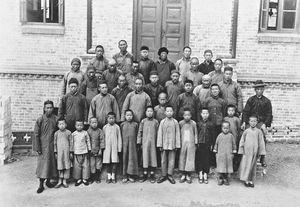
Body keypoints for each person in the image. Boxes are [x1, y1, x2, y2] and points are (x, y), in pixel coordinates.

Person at [241, 80, 272, 167]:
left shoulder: (267, 101)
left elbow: (269, 114)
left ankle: (262, 157)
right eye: (258, 89)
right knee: (246, 135)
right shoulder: (251, 100)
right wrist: (244, 122)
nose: (259, 91)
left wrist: (265, 124)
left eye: (261, 89)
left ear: (263, 90)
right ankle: (245, 157)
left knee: (262, 137)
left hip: (260, 122)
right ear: (255, 90)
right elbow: (246, 112)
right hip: (251, 121)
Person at [33, 100, 58, 194]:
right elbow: (36, 134)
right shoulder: (40, 120)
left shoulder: (55, 119)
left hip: (52, 145)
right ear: (44, 108)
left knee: (51, 164)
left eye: (51, 107)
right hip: (43, 146)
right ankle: (41, 185)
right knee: (42, 165)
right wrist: (38, 148)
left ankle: (48, 181)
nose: (49, 109)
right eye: (47, 108)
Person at [238, 116, 266, 188]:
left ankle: (251, 180)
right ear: (249, 122)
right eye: (251, 121)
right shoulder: (246, 131)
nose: (253, 123)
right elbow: (242, 141)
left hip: (254, 152)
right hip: (246, 152)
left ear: (257, 122)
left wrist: (261, 152)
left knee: (253, 166)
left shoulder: (259, 132)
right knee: (246, 165)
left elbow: (261, 143)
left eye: (254, 121)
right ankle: (246, 179)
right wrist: (241, 150)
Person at [203, 83, 227, 167]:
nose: (215, 91)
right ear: (211, 91)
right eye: (213, 89)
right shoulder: (207, 100)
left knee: (218, 143)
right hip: (210, 125)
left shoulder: (222, 101)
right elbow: (204, 111)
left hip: (218, 125)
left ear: (219, 90)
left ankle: (217, 162)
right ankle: (209, 162)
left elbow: (224, 113)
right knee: (210, 143)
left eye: (216, 89)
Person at [157, 106, 181, 184]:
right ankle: (163, 175)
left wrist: (177, 145)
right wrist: (160, 144)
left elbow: (177, 134)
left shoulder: (175, 122)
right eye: (167, 111)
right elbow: (160, 134)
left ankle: (170, 174)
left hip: (172, 145)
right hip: (164, 144)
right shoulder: (162, 122)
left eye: (171, 111)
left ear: (173, 112)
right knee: (163, 160)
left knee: (171, 160)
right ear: (165, 112)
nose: (169, 113)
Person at [137, 106, 160, 183]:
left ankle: (152, 174)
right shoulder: (143, 121)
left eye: (151, 111)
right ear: (145, 112)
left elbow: (158, 133)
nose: (149, 113)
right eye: (148, 111)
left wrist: (158, 143)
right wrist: (139, 142)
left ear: (153, 113)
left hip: (153, 144)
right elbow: (140, 132)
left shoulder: (156, 122)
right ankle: (145, 174)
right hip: (145, 143)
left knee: (153, 158)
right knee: (145, 158)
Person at [213, 121, 237, 186]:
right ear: (221, 128)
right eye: (224, 128)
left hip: (228, 154)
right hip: (221, 154)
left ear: (229, 128)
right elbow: (216, 143)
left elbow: (234, 144)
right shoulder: (219, 136)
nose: (225, 129)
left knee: (227, 166)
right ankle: (220, 178)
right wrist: (215, 149)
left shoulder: (231, 136)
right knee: (221, 166)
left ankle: (225, 178)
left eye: (227, 128)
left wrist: (234, 150)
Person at [178, 109, 198, 184]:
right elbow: (178, 133)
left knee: (190, 158)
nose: (187, 117)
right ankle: (183, 174)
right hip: (183, 143)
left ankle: (188, 174)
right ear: (183, 116)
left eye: (188, 115)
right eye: (185, 115)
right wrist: (178, 143)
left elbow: (195, 133)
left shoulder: (193, 123)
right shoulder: (180, 123)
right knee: (182, 158)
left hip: (191, 144)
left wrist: (195, 143)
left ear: (191, 116)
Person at [102, 112, 122, 184]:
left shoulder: (117, 127)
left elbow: (119, 138)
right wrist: (102, 147)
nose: (111, 120)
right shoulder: (105, 127)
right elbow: (102, 138)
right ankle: (109, 176)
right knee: (108, 163)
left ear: (115, 119)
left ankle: (113, 176)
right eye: (109, 118)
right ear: (107, 119)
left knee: (114, 162)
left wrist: (119, 148)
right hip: (107, 148)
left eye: (113, 118)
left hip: (114, 148)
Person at [196, 108, 215, 184]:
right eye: (203, 113)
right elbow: (196, 134)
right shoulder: (198, 123)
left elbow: (213, 135)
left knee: (207, 159)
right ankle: (200, 173)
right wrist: (196, 143)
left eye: (206, 113)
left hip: (208, 143)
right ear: (201, 114)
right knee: (200, 158)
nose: (205, 115)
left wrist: (212, 144)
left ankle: (205, 174)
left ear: (208, 114)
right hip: (200, 143)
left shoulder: (211, 124)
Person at [120, 110, 139, 183]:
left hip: (132, 145)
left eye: (130, 115)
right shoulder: (122, 125)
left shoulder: (135, 124)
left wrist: (137, 144)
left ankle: (131, 175)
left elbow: (137, 134)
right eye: (127, 115)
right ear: (125, 116)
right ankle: (124, 175)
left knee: (131, 159)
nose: (129, 117)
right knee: (124, 159)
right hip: (124, 145)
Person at [72, 120, 91, 187]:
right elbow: (72, 143)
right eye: (78, 125)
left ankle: (85, 179)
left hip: (84, 152)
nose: (79, 127)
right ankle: (78, 179)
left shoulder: (85, 133)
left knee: (85, 166)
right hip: (76, 152)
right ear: (75, 126)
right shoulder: (73, 134)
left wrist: (89, 149)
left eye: (81, 125)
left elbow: (88, 141)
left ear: (83, 126)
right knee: (77, 166)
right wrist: (71, 151)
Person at [54, 118, 72, 188]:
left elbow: (71, 143)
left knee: (67, 166)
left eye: (63, 124)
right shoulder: (56, 133)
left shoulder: (69, 132)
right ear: (58, 125)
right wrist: (55, 152)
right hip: (59, 154)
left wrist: (71, 152)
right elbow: (55, 143)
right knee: (60, 166)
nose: (62, 126)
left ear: (66, 125)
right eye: (60, 124)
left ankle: (65, 180)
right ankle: (60, 180)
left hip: (66, 153)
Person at [87, 117, 105, 184]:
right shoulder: (88, 131)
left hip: (98, 151)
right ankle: (92, 178)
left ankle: (97, 178)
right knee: (92, 165)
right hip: (91, 151)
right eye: (93, 122)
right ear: (90, 123)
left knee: (98, 165)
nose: (94, 124)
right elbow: (87, 141)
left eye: (95, 122)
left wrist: (100, 150)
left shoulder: (100, 131)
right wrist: (89, 150)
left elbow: (102, 141)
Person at [224, 104, 241, 171]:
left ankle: (234, 167)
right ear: (227, 111)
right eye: (229, 110)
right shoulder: (225, 118)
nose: (230, 112)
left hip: (234, 138)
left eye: (232, 111)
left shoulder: (236, 119)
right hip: (227, 138)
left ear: (234, 111)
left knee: (234, 152)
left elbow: (239, 129)